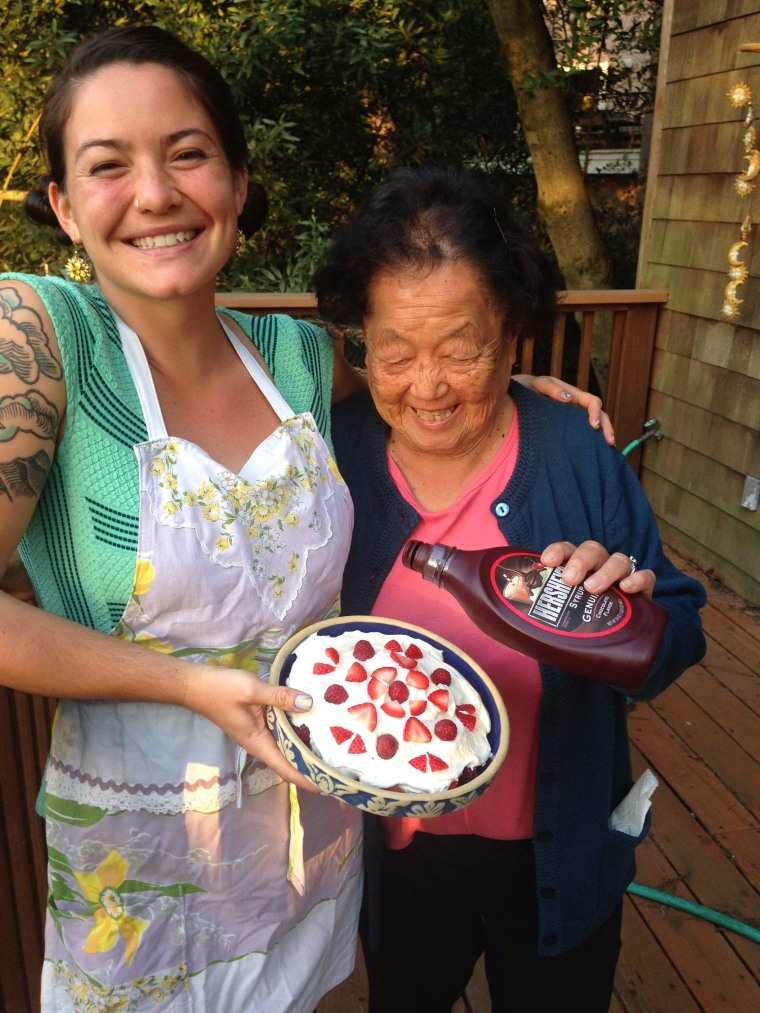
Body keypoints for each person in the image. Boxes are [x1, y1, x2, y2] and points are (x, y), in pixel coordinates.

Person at [0, 26, 610, 1013]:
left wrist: (518, 384)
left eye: (187, 153)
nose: (155, 192)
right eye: (108, 166)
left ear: (238, 182)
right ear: (65, 208)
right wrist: (190, 685)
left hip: (310, 830)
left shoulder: (296, 356)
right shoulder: (37, 337)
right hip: (141, 866)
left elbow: (429, 371)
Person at [314, 163, 707, 1013]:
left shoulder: (574, 451)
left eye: (463, 349)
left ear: (513, 335)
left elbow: (678, 627)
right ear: (360, 344)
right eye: (396, 352)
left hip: (556, 855)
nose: (428, 386)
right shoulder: (331, 453)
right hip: (402, 855)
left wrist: (627, 612)